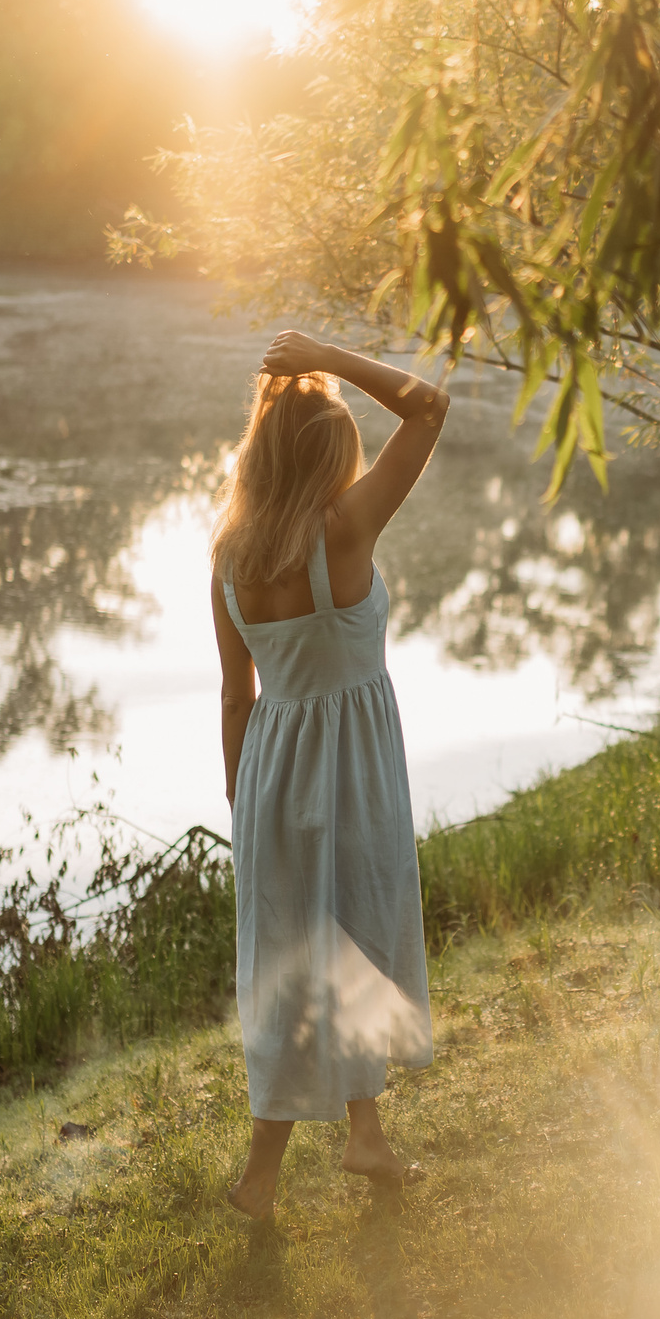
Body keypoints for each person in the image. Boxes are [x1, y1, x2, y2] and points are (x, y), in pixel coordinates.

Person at [211, 330, 450, 1220]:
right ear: (329, 454)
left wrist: (244, 801)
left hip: (272, 773)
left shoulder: (229, 560)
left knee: (294, 959)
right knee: (355, 935)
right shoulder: (345, 528)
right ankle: (302, 1161)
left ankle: (354, 1142)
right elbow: (429, 405)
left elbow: (236, 696)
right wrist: (333, 358)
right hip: (354, 767)